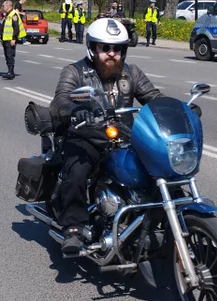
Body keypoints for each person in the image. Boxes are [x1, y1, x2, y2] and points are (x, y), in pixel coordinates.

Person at [50, 18, 164, 255]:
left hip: (123, 137)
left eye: (118, 48)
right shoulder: (75, 71)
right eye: (106, 48)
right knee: (77, 170)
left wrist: (176, 108)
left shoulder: (131, 73)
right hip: (86, 136)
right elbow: (60, 101)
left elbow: (154, 97)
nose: (112, 53)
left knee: (160, 167)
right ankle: (74, 226)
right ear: (92, 48)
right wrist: (74, 109)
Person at [1, 0, 25, 79]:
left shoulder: (13, 14)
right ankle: (9, 71)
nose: (3, 7)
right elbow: (4, 27)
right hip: (5, 39)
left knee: (10, 56)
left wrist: (14, 39)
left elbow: (16, 28)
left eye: (3, 6)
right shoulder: (7, 14)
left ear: (8, 6)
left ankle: (11, 72)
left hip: (10, 39)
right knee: (7, 56)